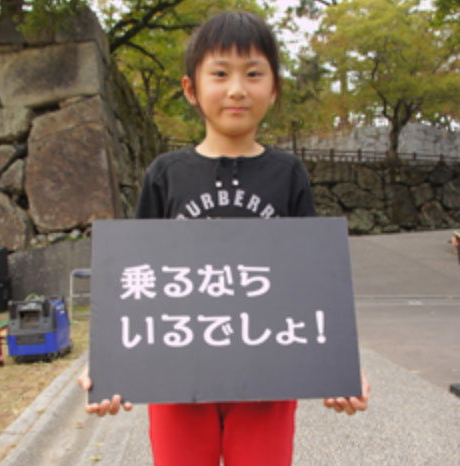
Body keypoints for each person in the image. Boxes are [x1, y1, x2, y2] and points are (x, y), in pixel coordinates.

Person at [78, 11, 370, 465]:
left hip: (267, 380)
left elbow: (313, 281)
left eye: (253, 74)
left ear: (273, 89)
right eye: (220, 73)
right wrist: (108, 364)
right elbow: (133, 279)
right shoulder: (165, 175)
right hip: (178, 379)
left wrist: (341, 367)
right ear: (191, 88)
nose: (237, 88)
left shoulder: (288, 174)